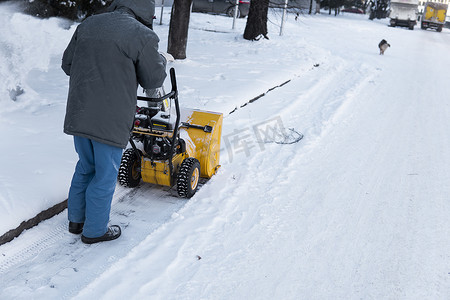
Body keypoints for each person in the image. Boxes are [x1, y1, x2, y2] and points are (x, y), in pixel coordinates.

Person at [61, 0, 168, 244]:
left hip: (80, 111)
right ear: (145, 11)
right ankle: (95, 231)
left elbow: (68, 65)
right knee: (105, 174)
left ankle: (76, 221)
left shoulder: (89, 24)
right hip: (110, 117)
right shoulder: (142, 35)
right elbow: (153, 79)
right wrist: (160, 59)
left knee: (85, 166)